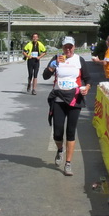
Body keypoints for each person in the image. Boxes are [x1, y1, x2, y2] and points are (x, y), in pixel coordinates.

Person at [42, 36, 91, 176]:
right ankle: (60, 150)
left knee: (70, 131)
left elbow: (87, 78)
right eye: (65, 47)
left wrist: (87, 88)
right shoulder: (57, 58)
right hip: (58, 98)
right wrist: (53, 66)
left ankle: (68, 163)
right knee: (57, 132)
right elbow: (45, 76)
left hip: (75, 99)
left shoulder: (79, 60)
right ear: (62, 47)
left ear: (74, 47)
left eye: (70, 46)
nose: (68, 49)